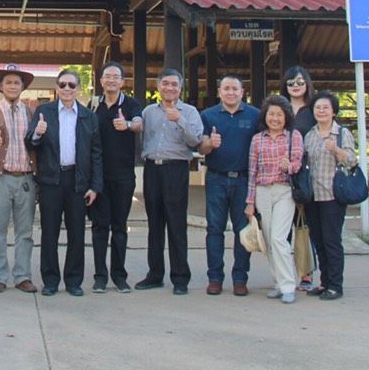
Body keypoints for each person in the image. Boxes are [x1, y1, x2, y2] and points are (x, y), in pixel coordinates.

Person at [28, 69, 103, 296]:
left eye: (71, 85)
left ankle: (73, 281)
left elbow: (96, 153)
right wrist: (37, 133)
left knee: (76, 233)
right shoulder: (44, 112)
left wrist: (95, 186)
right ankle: (50, 281)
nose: (67, 89)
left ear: (78, 88)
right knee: (49, 232)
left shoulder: (88, 116)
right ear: (57, 87)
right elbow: (30, 143)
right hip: (51, 179)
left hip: (78, 181)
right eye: (63, 85)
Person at [136, 68, 203, 295]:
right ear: (158, 86)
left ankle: (180, 277)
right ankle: (155, 274)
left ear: (180, 88)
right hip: (152, 169)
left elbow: (195, 140)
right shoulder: (148, 112)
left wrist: (180, 120)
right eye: (165, 83)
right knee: (154, 223)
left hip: (176, 169)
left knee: (176, 224)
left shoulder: (190, 112)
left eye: (174, 84)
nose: (169, 88)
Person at [0, 63, 39, 294]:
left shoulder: (32, 113)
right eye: (8, 82)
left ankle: (23, 276)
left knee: (25, 232)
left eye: (16, 82)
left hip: (26, 178)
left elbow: (39, 142)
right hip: (0, 177)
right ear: (1, 86)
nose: (13, 86)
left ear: (22, 87)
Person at [198, 75, 259, 296]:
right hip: (216, 178)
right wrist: (210, 144)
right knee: (214, 229)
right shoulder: (208, 115)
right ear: (219, 92)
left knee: (242, 230)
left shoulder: (255, 115)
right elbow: (201, 148)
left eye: (235, 89)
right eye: (226, 88)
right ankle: (215, 278)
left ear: (242, 92)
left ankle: (240, 278)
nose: (231, 92)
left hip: (244, 179)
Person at [245, 95, 304, 303]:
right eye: (271, 114)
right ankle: (278, 283)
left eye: (279, 114)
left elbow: (298, 162)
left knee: (279, 238)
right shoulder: (257, 139)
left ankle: (288, 286)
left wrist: (290, 166)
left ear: (286, 116)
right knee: (269, 240)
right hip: (262, 191)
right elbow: (252, 171)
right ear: (265, 116)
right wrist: (250, 202)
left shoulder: (293, 136)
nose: (275, 118)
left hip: (284, 190)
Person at [91, 61, 143, 294]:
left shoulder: (131, 104)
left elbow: (140, 124)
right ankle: (100, 277)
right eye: (107, 76)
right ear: (101, 81)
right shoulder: (94, 106)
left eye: (115, 77)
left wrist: (128, 124)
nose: (111, 80)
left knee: (120, 227)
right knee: (99, 227)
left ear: (122, 81)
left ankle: (119, 276)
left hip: (123, 176)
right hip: (98, 177)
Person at [302, 92, 356, 300]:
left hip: (332, 195)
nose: (321, 111)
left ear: (334, 111)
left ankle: (335, 285)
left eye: (325, 107)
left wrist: (336, 150)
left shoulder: (341, 133)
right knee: (318, 241)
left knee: (332, 241)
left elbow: (351, 161)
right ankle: (324, 282)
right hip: (312, 196)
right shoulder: (310, 135)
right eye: (317, 107)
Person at [282, 66, 317, 290]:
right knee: (282, 229)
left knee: (304, 226)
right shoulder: (279, 108)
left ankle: (306, 273)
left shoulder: (314, 110)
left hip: (306, 174)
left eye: (300, 82)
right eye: (291, 82)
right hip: (280, 174)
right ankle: (283, 274)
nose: (295, 86)